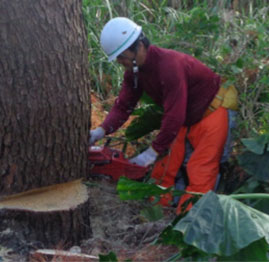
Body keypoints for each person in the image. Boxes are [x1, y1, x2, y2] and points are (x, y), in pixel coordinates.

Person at [89, 17, 237, 213]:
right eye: (117, 58)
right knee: (166, 170)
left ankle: (189, 224)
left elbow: (174, 115)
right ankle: (159, 214)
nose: (120, 62)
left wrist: (152, 151)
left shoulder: (170, 66)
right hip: (185, 118)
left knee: (201, 172)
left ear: (139, 46)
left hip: (212, 112)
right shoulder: (134, 72)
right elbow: (124, 105)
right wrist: (100, 131)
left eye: (122, 57)